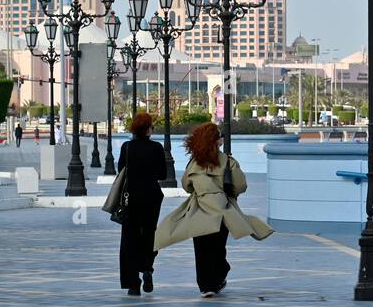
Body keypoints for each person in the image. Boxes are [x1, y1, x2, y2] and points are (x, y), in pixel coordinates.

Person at [154, 122, 273, 297]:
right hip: (223, 210)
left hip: (199, 209)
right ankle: (218, 278)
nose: (221, 139)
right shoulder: (228, 161)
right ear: (215, 141)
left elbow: (187, 185)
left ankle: (205, 286)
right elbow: (241, 185)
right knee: (218, 247)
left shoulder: (194, 163)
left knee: (201, 248)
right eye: (219, 137)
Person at [117, 113, 166, 296]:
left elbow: (121, 171)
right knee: (149, 234)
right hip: (151, 197)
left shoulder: (127, 147)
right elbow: (162, 174)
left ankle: (133, 284)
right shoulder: (156, 147)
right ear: (148, 129)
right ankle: (147, 267)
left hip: (131, 198)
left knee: (129, 238)